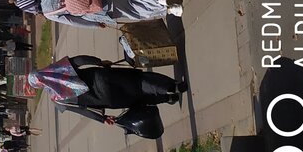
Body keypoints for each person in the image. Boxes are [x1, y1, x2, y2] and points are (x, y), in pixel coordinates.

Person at [29, 56, 186, 115]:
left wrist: (103, 119)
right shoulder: (57, 70)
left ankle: (168, 98)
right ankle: (170, 86)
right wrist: (100, 62)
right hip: (104, 78)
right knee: (138, 80)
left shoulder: (57, 100)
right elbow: (80, 60)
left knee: (138, 99)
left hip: (108, 100)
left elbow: (82, 110)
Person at [14, 0, 182, 28]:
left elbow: (74, 21)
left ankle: (170, 10)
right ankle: (160, 0)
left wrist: (95, 25)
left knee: (134, 12)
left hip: (98, 8)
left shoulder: (50, 14)